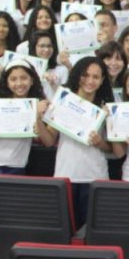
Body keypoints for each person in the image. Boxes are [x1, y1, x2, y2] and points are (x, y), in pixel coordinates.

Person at [0, 61, 55, 215]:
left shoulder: (39, 105)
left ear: (32, 80)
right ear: (6, 83)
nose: (19, 83)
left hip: (16, 166)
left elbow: (49, 142)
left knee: (8, 214)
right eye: (13, 79)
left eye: (24, 78)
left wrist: (36, 117)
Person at [51, 56, 114, 228]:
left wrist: (99, 143)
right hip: (66, 174)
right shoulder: (63, 100)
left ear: (102, 80)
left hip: (95, 175)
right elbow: (49, 140)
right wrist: (38, 117)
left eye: (95, 77)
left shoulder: (106, 107)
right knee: (66, 229)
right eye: (85, 75)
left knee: (92, 230)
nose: (90, 81)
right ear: (77, 75)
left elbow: (114, 150)